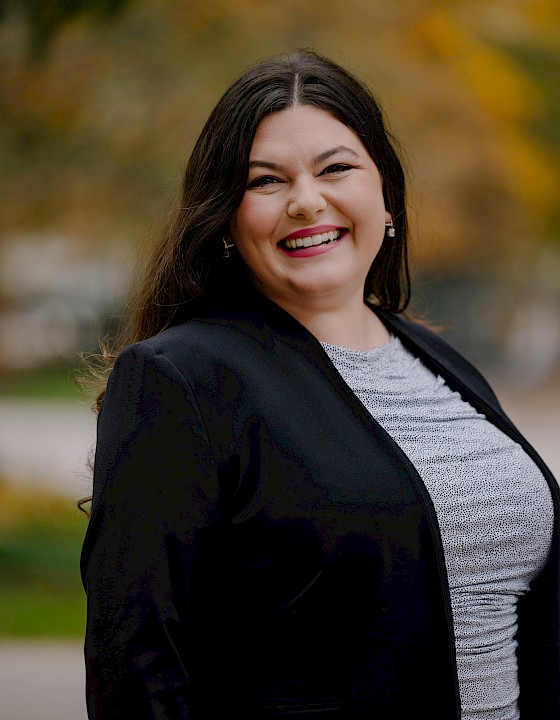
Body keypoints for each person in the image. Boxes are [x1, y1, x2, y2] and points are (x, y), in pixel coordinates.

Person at [81, 50, 560, 720]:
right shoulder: (180, 382)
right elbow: (137, 669)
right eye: (266, 181)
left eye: (336, 168)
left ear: (386, 197)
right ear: (225, 220)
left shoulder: (441, 361)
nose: (307, 202)